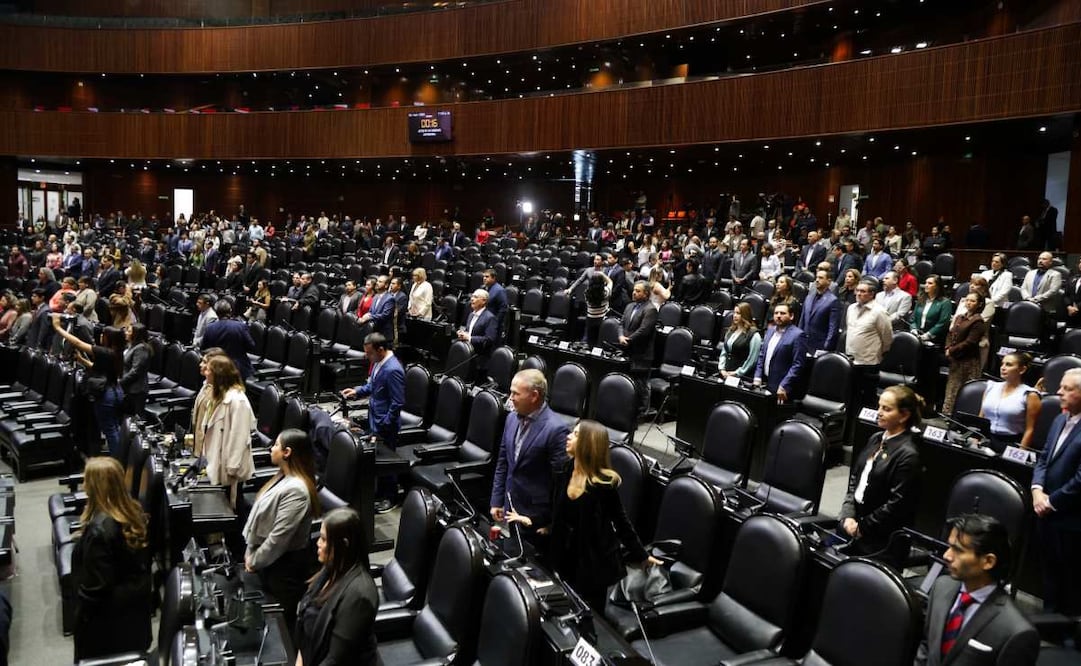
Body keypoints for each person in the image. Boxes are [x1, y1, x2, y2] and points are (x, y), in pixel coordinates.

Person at [509, 420, 661, 611]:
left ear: (589, 444)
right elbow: (553, 509)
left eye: (575, 434)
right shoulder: (563, 471)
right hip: (564, 556)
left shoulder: (603, 484)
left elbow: (621, 522)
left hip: (593, 565)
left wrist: (642, 556)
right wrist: (531, 519)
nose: (568, 437)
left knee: (590, 615)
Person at [915, 513, 1039, 666]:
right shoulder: (941, 587)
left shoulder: (1017, 632)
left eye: (958, 550)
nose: (947, 555)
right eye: (949, 547)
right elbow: (927, 645)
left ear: (988, 561)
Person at [71, 457, 151, 661]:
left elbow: (96, 591)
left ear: (95, 486)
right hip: (134, 621)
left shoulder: (99, 532)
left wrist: (79, 617)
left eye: (86, 480)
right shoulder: (133, 514)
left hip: (105, 631)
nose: (84, 485)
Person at [243, 428, 321, 637]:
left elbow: (279, 538)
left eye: (276, 445)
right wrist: (251, 551)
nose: (271, 448)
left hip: (284, 571)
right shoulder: (282, 477)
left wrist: (254, 560)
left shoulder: (297, 490)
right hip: (270, 563)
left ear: (287, 452)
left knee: (281, 633)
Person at [838, 384, 924, 567]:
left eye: (886, 409)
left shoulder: (908, 455)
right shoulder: (876, 438)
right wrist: (848, 514)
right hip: (856, 526)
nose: (879, 412)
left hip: (883, 541)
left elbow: (896, 504)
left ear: (904, 415)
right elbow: (855, 479)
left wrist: (863, 527)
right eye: (879, 406)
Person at [490, 369, 570, 543]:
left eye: (515, 393)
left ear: (534, 396)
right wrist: (497, 500)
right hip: (510, 505)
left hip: (536, 516)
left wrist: (551, 522)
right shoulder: (511, 418)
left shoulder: (556, 430)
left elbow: (560, 484)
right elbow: (503, 462)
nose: (510, 398)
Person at [295, 507, 379, 666]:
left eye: (324, 539)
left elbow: (335, 660)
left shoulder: (360, 595)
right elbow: (306, 630)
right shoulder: (330, 570)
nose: (318, 543)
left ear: (344, 544)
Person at [1031, 368, 1081, 615]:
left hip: (1071, 517)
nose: (1059, 392)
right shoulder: (1059, 419)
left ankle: (1066, 629)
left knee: (1070, 580)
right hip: (1046, 511)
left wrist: (1051, 502)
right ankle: (1048, 624)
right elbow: (1043, 459)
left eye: (1067, 389)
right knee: (1049, 574)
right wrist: (1037, 491)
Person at [341, 333, 404, 513]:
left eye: (369, 353)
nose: (366, 356)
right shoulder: (378, 362)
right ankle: (381, 492)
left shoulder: (393, 370)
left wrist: (385, 423)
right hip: (375, 419)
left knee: (388, 460)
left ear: (381, 349)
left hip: (386, 424)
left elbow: (398, 402)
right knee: (377, 458)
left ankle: (390, 497)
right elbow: (373, 387)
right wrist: (357, 391)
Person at [52, 316, 126, 457]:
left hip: (107, 394)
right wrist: (82, 360)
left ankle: (117, 461)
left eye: (104, 334)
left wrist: (58, 328)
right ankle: (119, 457)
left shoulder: (105, 352)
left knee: (110, 430)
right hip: (115, 391)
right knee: (113, 428)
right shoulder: (116, 353)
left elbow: (78, 343)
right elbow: (100, 369)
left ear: (109, 338)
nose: (101, 336)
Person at [199, 354, 256, 499]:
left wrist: (232, 467)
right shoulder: (218, 395)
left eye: (209, 370)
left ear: (219, 375)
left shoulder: (238, 400)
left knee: (232, 505)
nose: (205, 371)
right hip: (215, 460)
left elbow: (239, 437)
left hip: (229, 468)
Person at [845, 279, 894, 407]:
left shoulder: (879, 312)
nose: (858, 293)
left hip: (869, 362)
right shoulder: (851, 308)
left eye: (863, 291)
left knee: (867, 398)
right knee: (851, 395)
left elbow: (887, 336)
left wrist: (880, 352)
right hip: (851, 359)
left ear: (872, 294)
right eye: (857, 290)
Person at [941, 292, 989, 416]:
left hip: (968, 360)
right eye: (967, 300)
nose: (968, 303)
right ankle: (947, 414)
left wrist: (952, 350)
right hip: (956, 358)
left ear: (979, 304)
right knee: (952, 387)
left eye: (972, 301)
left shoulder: (978, 321)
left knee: (962, 388)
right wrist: (948, 347)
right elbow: (950, 334)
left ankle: (959, 416)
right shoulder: (960, 317)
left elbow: (970, 342)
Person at [753, 302, 807, 403]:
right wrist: (757, 376)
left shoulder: (798, 335)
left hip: (782, 389)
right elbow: (762, 355)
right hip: (764, 383)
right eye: (776, 313)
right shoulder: (770, 330)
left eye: (782, 313)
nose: (778, 316)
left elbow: (798, 365)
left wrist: (784, 385)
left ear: (791, 316)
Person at [620, 281, 658, 412]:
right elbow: (621, 324)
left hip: (642, 352)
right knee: (630, 379)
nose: (634, 293)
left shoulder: (651, 309)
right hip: (628, 349)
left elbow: (644, 330)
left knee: (641, 382)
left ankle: (644, 410)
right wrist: (621, 336)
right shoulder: (629, 306)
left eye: (638, 291)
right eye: (634, 290)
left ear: (646, 294)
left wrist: (628, 339)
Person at [201, 300, 256, 379]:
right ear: (230, 311)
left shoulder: (210, 328)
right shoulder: (240, 326)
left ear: (216, 313)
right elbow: (251, 346)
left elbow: (204, 349)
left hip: (217, 368)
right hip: (238, 369)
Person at [799, 268, 841, 353]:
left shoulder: (833, 301)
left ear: (829, 281)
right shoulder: (808, 297)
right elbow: (802, 321)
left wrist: (826, 347)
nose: (817, 280)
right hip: (804, 344)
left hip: (820, 346)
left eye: (821, 278)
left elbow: (833, 328)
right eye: (816, 278)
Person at [457, 288, 499, 372]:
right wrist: (462, 333)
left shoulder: (490, 318)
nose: (472, 299)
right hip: (467, 354)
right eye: (472, 296)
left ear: (484, 301)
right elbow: (470, 331)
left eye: (475, 297)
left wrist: (469, 338)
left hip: (479, 358)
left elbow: (489, 339)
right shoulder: (471, 315)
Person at [718, 302, 761, 380]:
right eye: (734, 313)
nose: (735, 316)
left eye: (738, 313)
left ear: (745, 315)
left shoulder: (754, 335)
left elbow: (752, 360)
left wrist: (738, 372)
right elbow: (724, 352)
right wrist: (722, 369)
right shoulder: (730, 331)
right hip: (725, 373)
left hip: (741, 377)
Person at [120, 323, 152, 416]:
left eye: (129, 331)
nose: (126, 333)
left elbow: (136, 371)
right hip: (128, 388)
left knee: (135, 419)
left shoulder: (141, 348)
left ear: (136, 334)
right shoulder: (131, 345)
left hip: (136, 390)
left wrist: (120, 382)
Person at [910, 275, 953, 345]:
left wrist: (929, 334)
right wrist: (913, 329)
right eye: (926, 283)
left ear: (937, 286)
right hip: (917, 335)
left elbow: (943, 323)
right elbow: (913, 318)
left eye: (930, 283)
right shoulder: (921, 299)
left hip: (934, 339)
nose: (926, 285)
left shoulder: (945, 302)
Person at [1020, 251, 1062, 316]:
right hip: (1028, 307)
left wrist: (1035, 299)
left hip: (1045, 310)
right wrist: (1027, 298)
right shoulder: (1030, 273)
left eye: (1044, 259)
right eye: (1039, 258)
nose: (1040, 261)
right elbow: (1023, 288)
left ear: (1050, 262)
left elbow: (1053, 291)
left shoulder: (1055, 274)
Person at [483, 269, 508, 339]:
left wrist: (495, 322)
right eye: (484, 276)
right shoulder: (484, 288)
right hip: (485, 322)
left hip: (493, 325)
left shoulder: (499, 290)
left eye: (487, 276)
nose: (484, 278)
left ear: (493, 278)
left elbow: (503, 309)